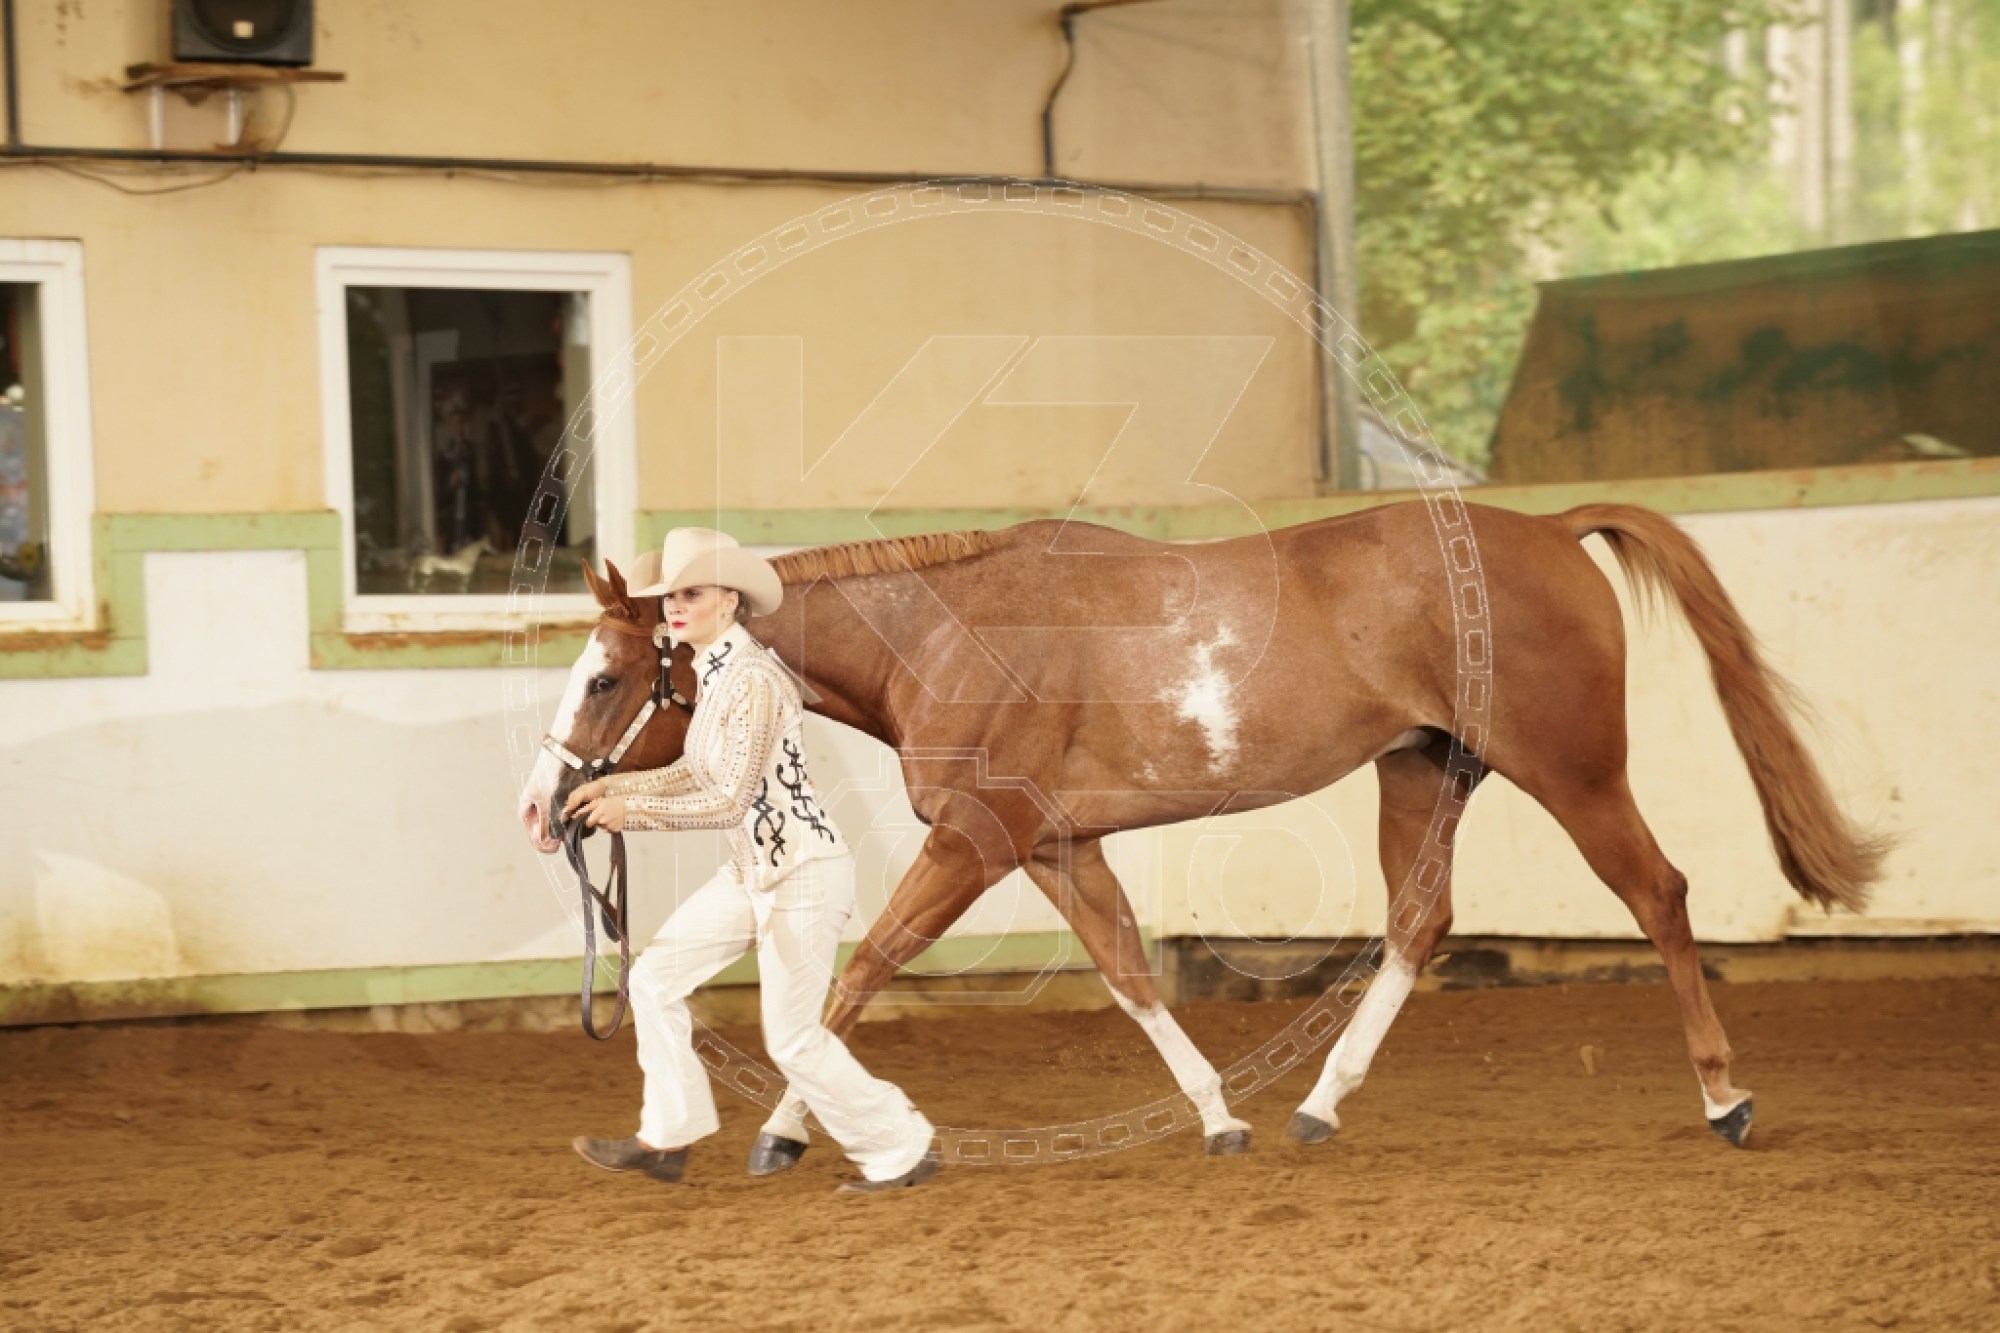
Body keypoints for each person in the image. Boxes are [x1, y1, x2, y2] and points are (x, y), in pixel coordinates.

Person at [563, 526, 940, 1194]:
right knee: (653, 982)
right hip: (750, 874)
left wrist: (632, 812)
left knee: (792, 1039)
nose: (676, 607)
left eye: (692, 593)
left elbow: (729, 797)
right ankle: (668, 1133)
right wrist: (614, 786)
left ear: (730, 600)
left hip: (803, 874)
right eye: (671, 596)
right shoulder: (715, 673)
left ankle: (899, 1146)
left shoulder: (757, 679)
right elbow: (695, 771)